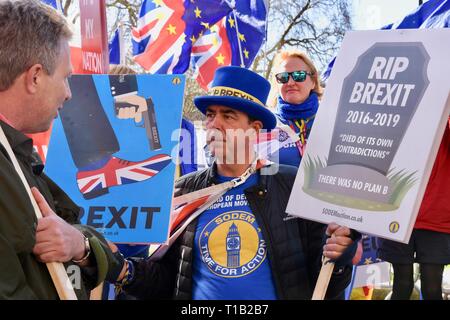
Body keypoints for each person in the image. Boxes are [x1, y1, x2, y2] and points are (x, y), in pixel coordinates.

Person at [111, 66, 360, 300]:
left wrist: (339, 259)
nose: (214, 124)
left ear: (254, 129)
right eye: (210, 115)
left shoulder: (291, 184)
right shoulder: (186, 191)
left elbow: (324, 282)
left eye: (228, 116)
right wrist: (122, 269)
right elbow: (168, 282)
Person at [0, 0, 122, 299]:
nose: (68, 93)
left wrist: (78, 244)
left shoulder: (19, 154)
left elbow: (78, 230)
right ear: (36, 76)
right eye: (66, 77)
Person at [378, 118, 450, 300]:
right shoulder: (400, 115)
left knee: (432, 287)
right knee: (402, 284)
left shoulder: (445, 119)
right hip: (398, 213)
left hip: (436, 215)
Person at [267, 49, 324, 167]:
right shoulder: (265, 124)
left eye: (299, 75)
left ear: (313, 81)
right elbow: (262, 174)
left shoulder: (332, 121)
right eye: (283, 77)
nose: (290, 82)